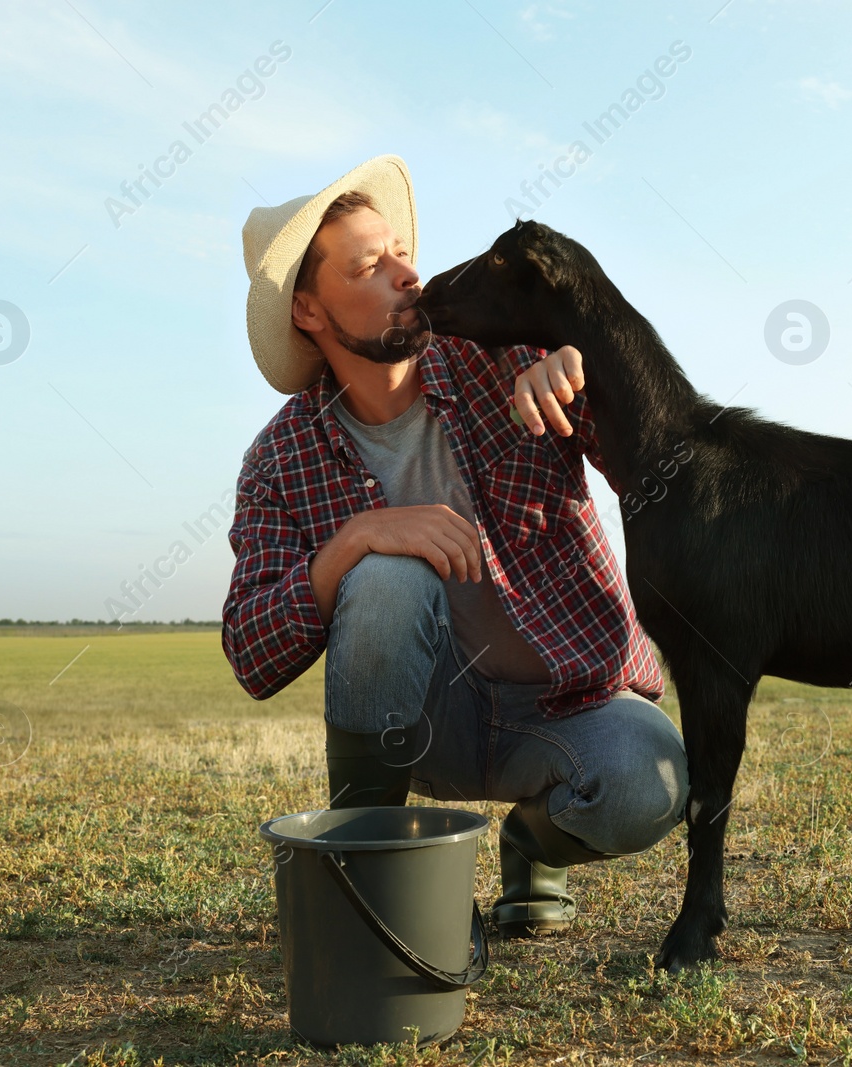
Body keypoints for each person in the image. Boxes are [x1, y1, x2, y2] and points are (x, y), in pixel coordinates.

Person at [223, 155, 688, 936]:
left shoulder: (505, 354)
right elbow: (250, 650)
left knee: (651, 780)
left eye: (403, 250)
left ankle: (531, 843)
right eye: (372, 265)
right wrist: (355, 542)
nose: (410, 274)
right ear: (309, 310)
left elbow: (665, 467)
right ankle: (376, 892)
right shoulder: (279, 460)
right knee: (382, 576)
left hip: (565, 700)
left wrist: (594, 384)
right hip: (424, 724)